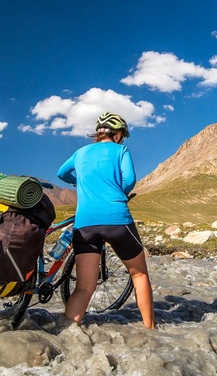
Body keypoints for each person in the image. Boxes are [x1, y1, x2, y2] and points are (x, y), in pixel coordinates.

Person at [57, 112, 155, 329]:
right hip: (116, 220)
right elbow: (129, 180)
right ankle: (151, 331)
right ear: (118, 134)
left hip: (85, 225)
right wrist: (117, 190)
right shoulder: (121, 150)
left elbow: (61, 173)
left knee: (83, 287)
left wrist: (81, 180)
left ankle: (65, 333)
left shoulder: (80, 152)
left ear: (98, 133)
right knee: (139, 275)